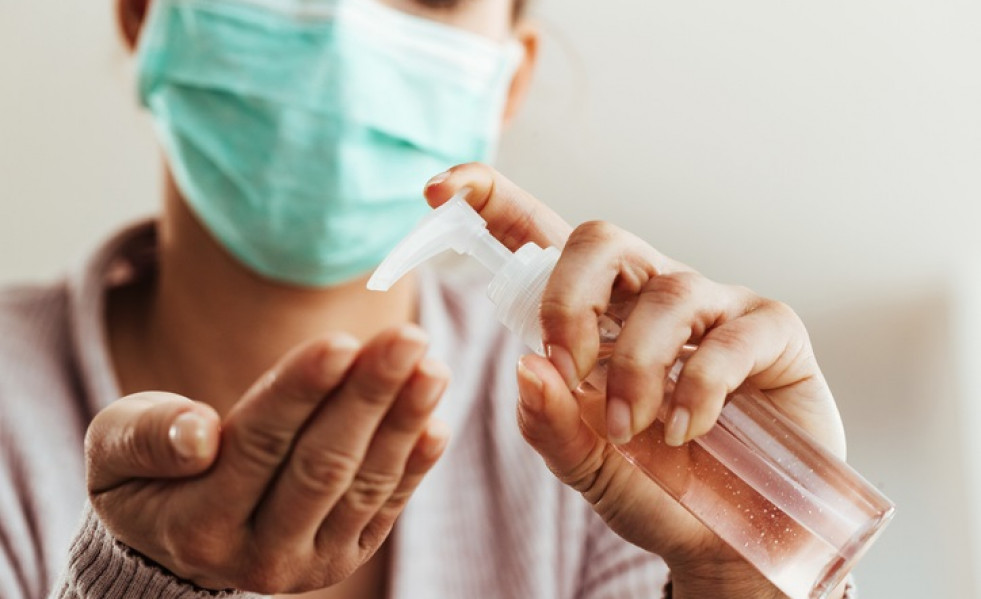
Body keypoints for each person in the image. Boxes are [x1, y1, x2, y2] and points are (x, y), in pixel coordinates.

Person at [0, 0, 853, 597]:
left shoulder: (613, 436)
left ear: (507, 79)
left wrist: (744, 574)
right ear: (145, 14)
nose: (342, 32)